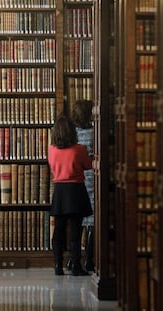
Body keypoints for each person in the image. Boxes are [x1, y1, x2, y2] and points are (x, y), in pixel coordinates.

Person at [48, 114, 93, 276]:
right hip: (75, 190)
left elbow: (52, 166)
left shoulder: (51, 149)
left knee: (58, 230)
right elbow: (88, 165)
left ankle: (57, 265)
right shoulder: (79, 150)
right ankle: (75, 266)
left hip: (59, 191)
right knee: (75, 231)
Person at [69, 99, 95, 272]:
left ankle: (73, 259)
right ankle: (90, 260)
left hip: (76, 177)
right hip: (92, 176)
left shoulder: (72, 135)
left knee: (76, 221)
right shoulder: (95, 132)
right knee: (92, 221)